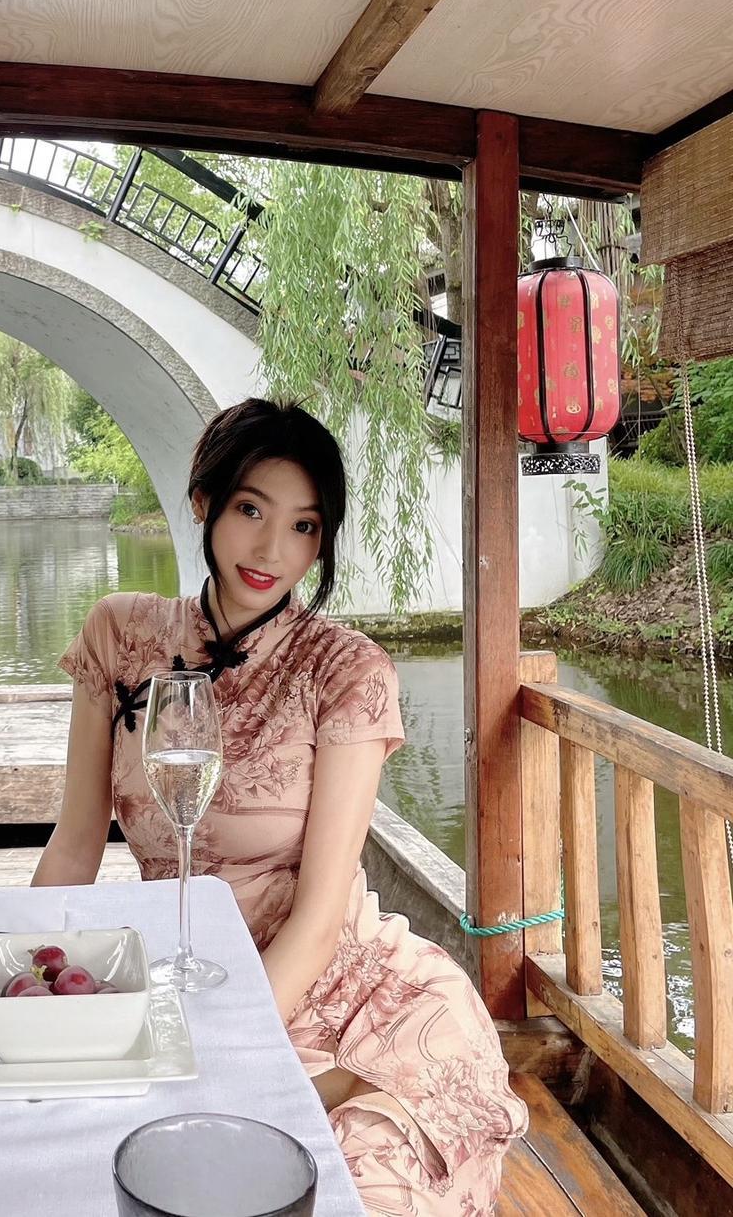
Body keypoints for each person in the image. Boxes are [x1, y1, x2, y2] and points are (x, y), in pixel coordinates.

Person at [34, 399, 526, 1215]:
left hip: (348, 1004)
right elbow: (76, 840)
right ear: (204, 501)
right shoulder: (121, 635)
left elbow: (320, 917)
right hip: (179, 970)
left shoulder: (345, 671)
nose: (272, 550)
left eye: (304, 526)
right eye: (251, 510)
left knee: (354, 1193)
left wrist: (229, 1049)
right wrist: (21, 974)